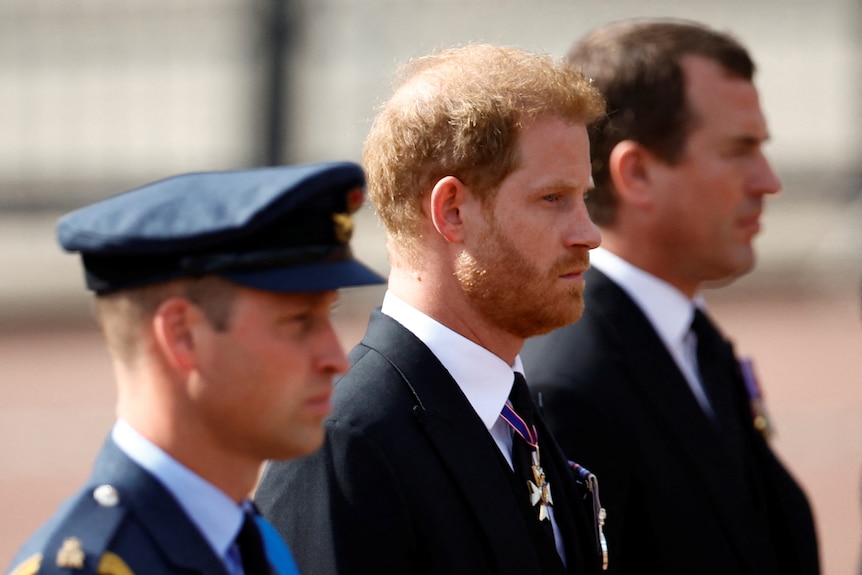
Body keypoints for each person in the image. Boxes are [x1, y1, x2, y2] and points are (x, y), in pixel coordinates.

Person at [254, 43, 608, 574]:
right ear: (452, 211)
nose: (589, 234)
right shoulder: (347, 445)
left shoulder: (512, 416)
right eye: (553, 199)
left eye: (584, 198)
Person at [521, 18, 820, 575]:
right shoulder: (570, 383)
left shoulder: (688, 339)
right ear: (636, 173)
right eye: (739, 150)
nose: (768, 180)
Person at [5, 162, 384, 575]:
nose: (335, 358)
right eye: (298, 322)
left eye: (327, 317)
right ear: (183, 334)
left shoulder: (253, 544)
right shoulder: (97, 566)